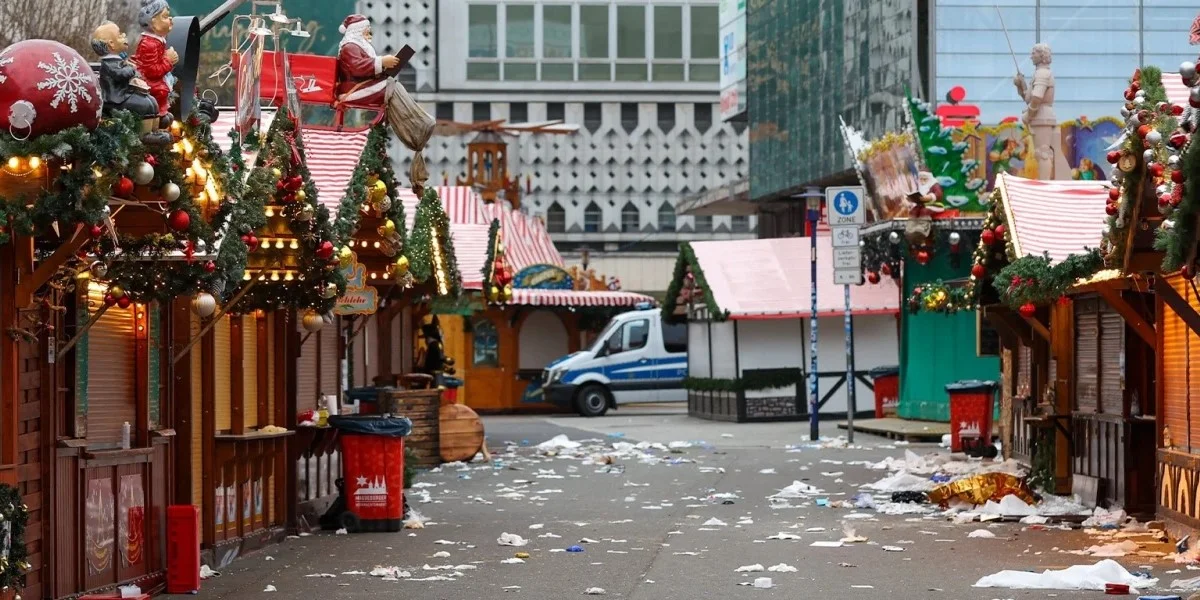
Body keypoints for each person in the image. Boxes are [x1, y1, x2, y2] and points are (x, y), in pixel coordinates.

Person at [336, 14, 435, 192]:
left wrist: (385, 65)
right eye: (366, 30)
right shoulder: (349, 47)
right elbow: (358, 67)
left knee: (391, 85)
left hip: (360, 87)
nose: (369, 33)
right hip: (352, 92)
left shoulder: (358, 46)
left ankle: (417, 123)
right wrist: (382, 62)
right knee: (391, 87)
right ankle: (419, 124)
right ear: (358, 30)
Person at [91, 21, 171, 145]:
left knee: (152, 101)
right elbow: (120, 75)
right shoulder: (108, 63)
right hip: (115, 99)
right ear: (111, 44)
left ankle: (155, 130)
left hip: (124, 94)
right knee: (144, 104)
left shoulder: (119, 60)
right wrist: (131, 69)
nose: (124, 36)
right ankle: (145, 134)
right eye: (119, 35)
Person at [1012, 43, 1070, 180]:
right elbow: (1030, 97)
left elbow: (1037, 97)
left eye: (1034, 53)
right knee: (1041, 153)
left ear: (1042, 56)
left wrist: (1029, 114)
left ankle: (1044, 185)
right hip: (1040, 115)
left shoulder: (1042, 73)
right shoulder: (1039, 73)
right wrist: (1021, 86)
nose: (1031, 56)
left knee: (1043, 152)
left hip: (1042, 116)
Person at [132, 0, 178, 122]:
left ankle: (161, 115)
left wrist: (168, 58)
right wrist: (168, 61)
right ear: (153, 23)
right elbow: (151, 71)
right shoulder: (149, 44)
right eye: (165, 16)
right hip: (147, 81)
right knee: (160, 91)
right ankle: (156, 119)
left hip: (156, 78)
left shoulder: (157, 41)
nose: (170, 19)